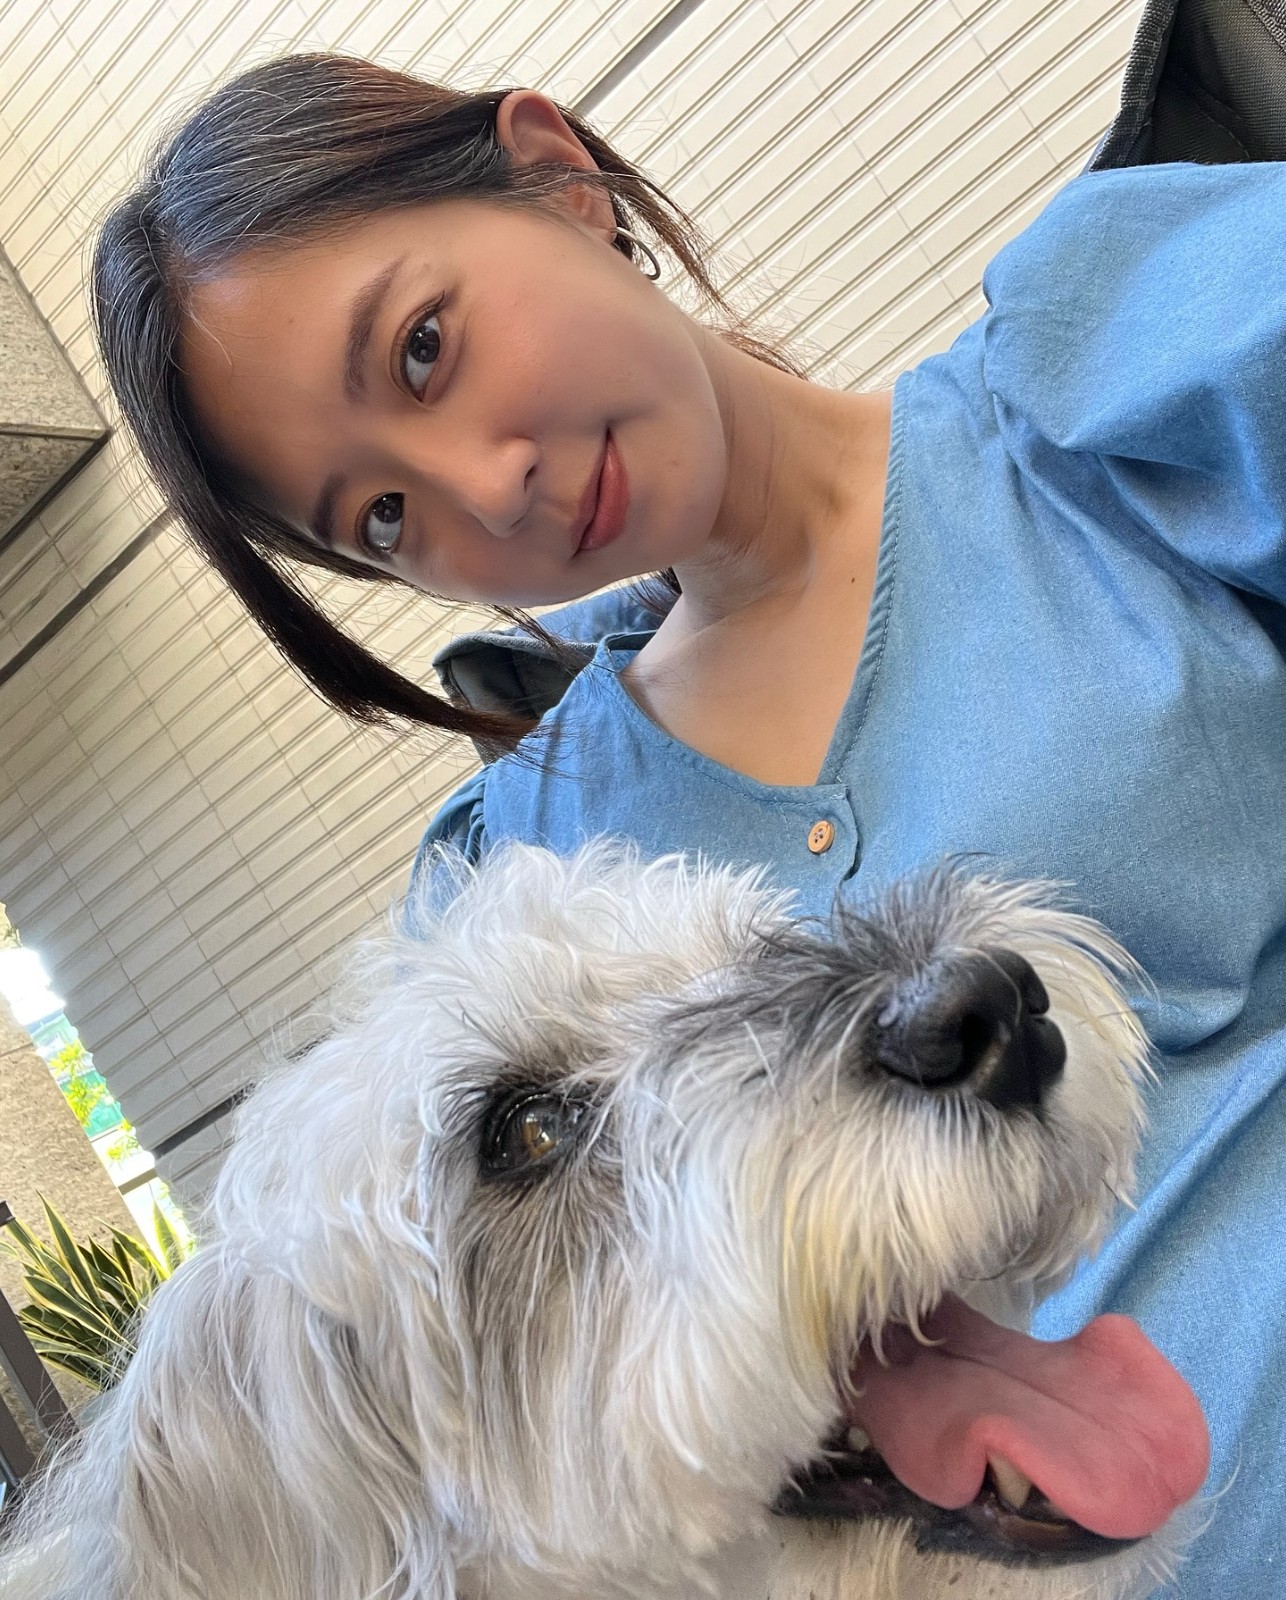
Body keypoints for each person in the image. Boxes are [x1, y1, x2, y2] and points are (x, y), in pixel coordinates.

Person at [89, 45, 1284, 1598]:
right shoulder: (498, 870)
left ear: (554, 179)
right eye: (381, 518)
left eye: (425, 349)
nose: (483, 492)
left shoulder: (1107, 370)